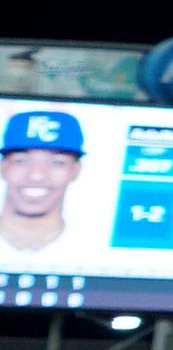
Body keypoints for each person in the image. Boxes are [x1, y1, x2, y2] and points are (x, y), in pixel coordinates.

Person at [1, 108, 102, 265]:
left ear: (75, 170)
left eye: (56, 162)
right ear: (3, 166)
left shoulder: (94, 249)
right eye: (21, 161)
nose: (36, 176)